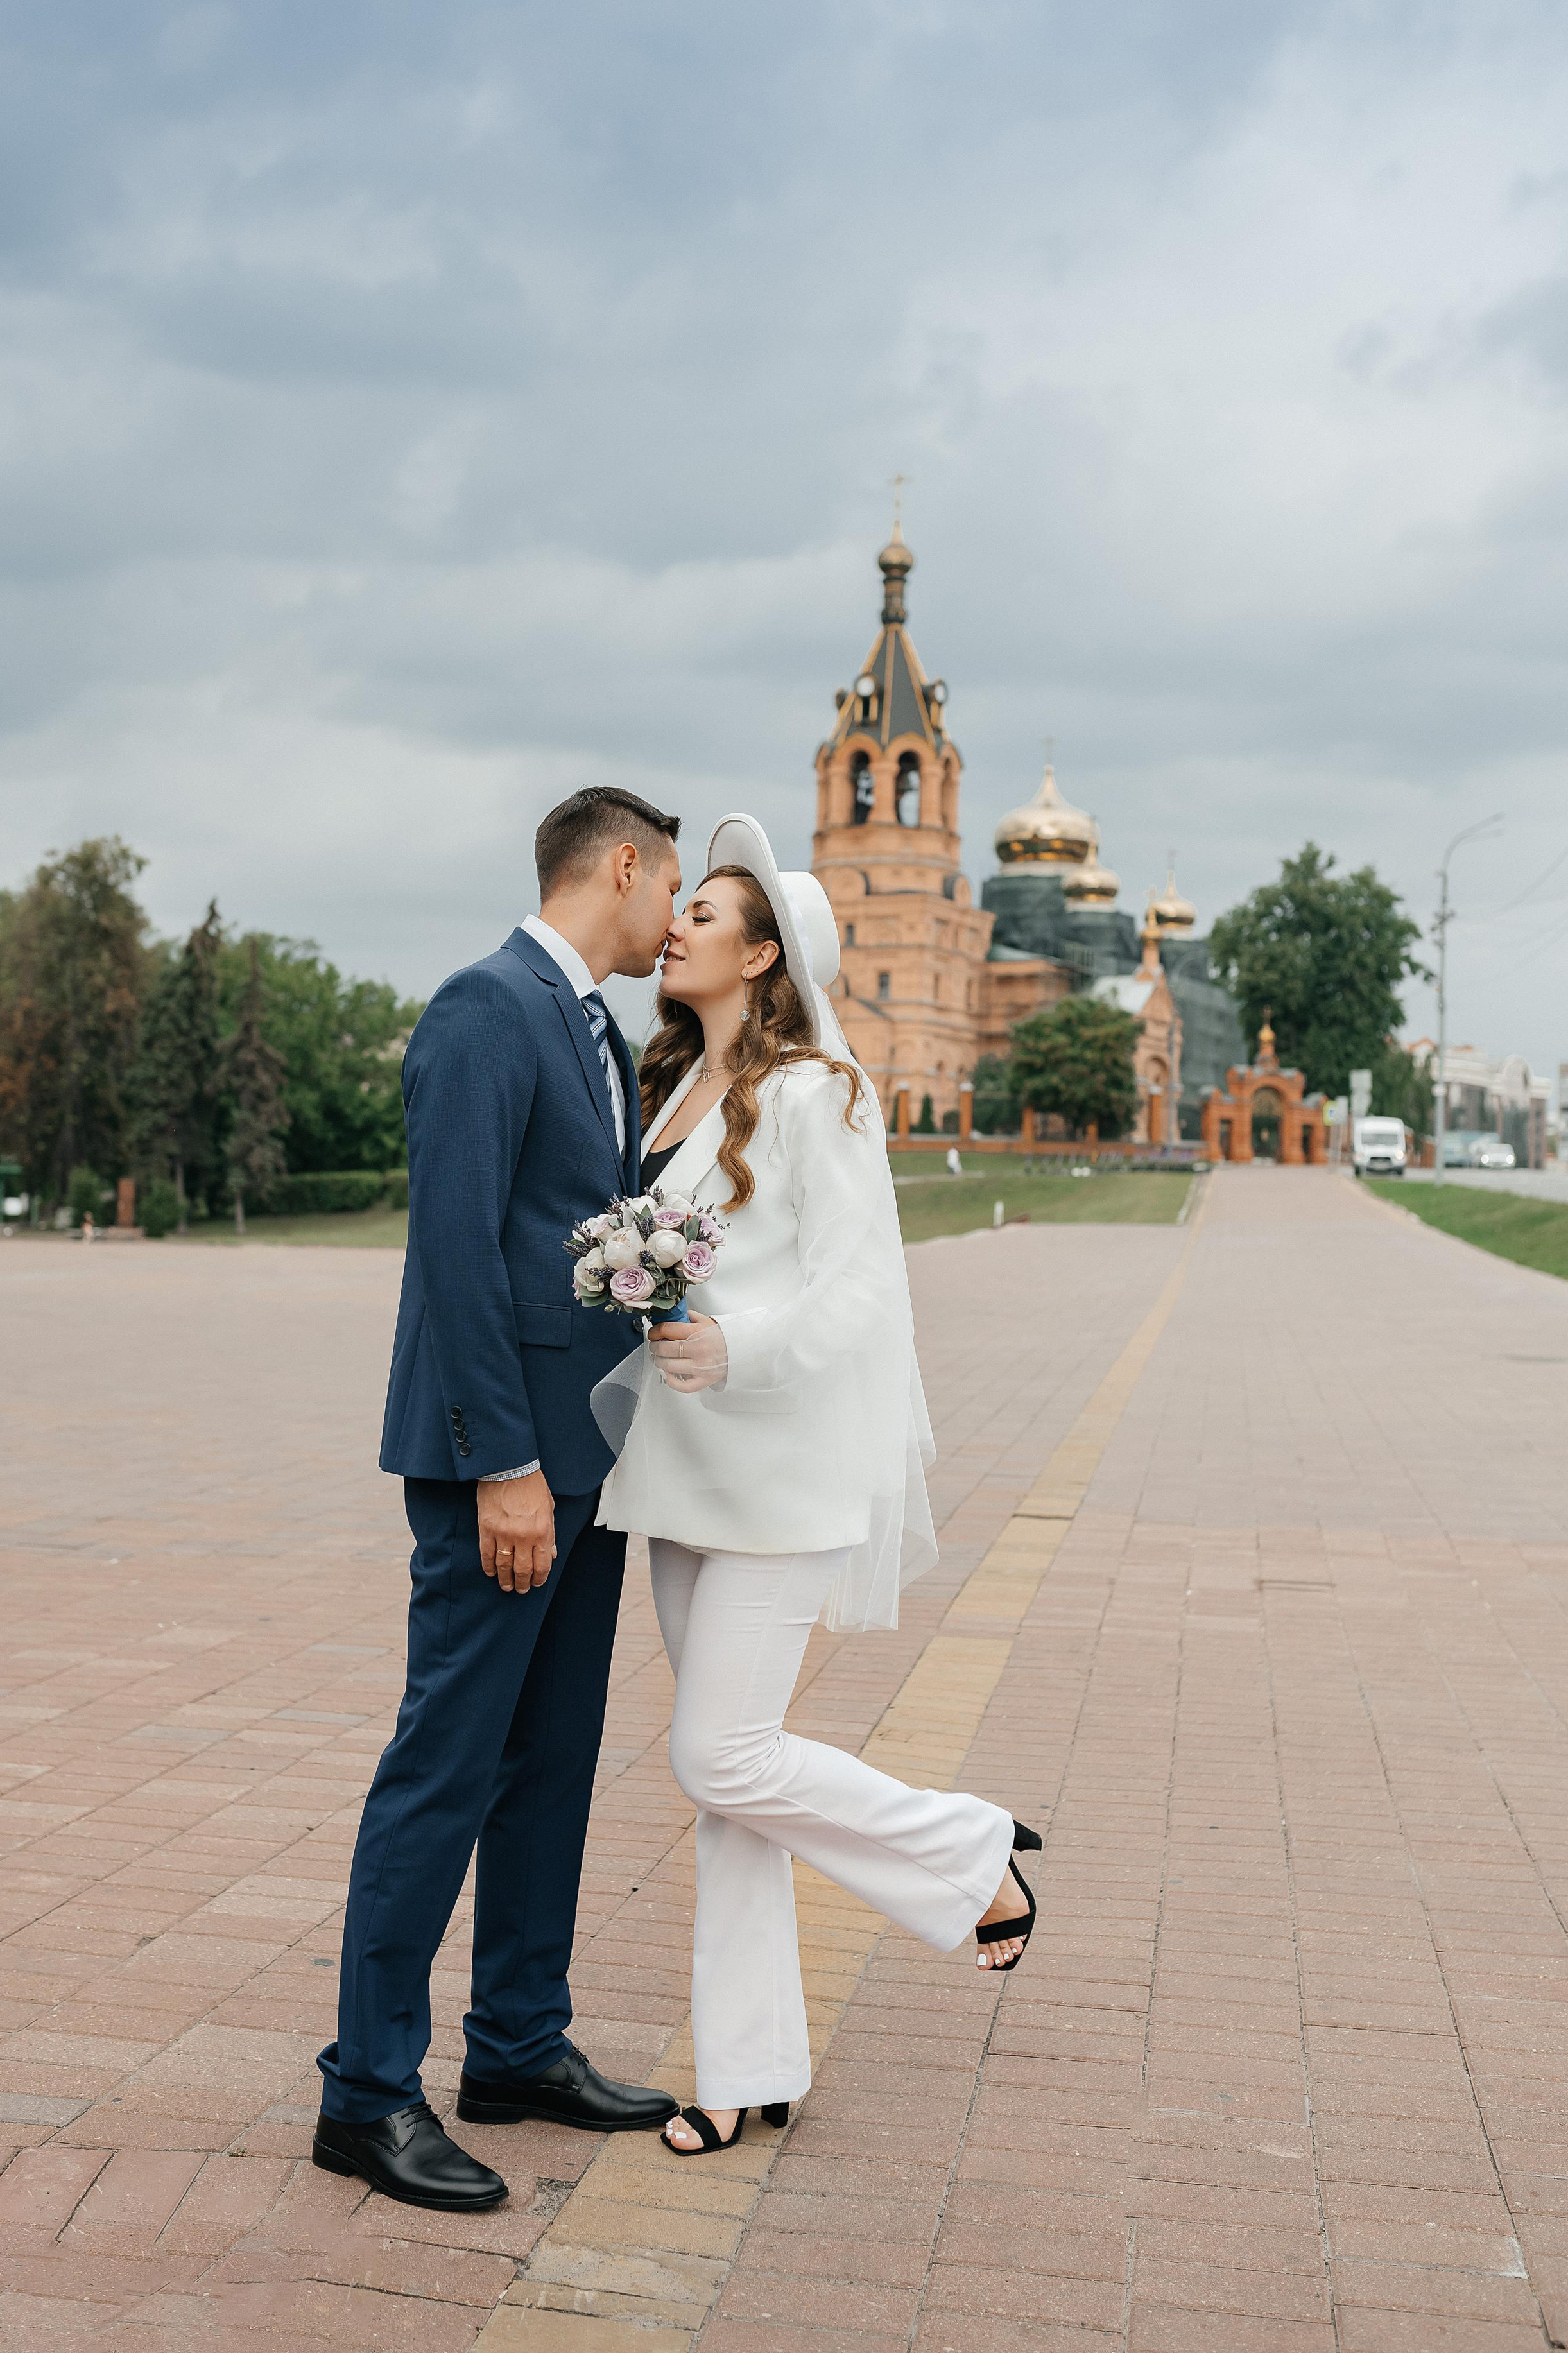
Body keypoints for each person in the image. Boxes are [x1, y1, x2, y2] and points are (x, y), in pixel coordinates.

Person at [593, 814, 1040, 2159]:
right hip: (684, 1470)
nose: (677, 921)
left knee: (720, 1753)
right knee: (730, 1785)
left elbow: (858, 1291)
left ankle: (969, 1854)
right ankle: (744, 2069)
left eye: (709, 911)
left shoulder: (816, 1095)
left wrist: (737, 1344)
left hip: (783, 1472)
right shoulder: (671, 1091)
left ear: (765, 959)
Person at [313, 786, 687, 2214]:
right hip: (506, 1472)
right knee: (446, 1767)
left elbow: (575, 1234)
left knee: (551, 1766)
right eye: (671, 894)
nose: (676, 921)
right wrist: (502, 1465)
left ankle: (518, 2044)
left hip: (586, 1466)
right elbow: (456, 1257)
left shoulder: (591, 1025)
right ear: (621, 866)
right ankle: (364, 2094)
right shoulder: (484, 1009)